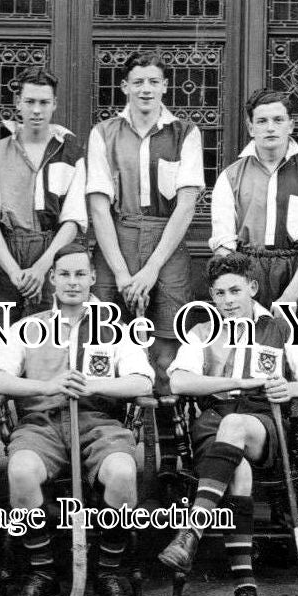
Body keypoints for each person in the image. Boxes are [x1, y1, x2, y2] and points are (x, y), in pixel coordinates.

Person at [157, 253, 298, 596]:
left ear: (252, 289)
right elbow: (180, 383)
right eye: (219, 293)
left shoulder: (281, 328)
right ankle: (245, 594)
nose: (227, 300)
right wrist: (237, 383)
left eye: (235, 290)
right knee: (239, 473)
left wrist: (293, 387)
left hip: (262, 426)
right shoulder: (202, 331)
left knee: (237, 426)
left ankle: (192, 530)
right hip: (214, 427)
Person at [0, 244, 155, 596]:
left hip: (98, 424)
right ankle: (43, 573)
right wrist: (45, 387)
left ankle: (109, 572)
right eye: (65, 274)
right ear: (53, 279)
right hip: (42, 424)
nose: (73, 282)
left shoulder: (114, 329)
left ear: (93, 278)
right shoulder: (28, 328)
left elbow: (142, 382)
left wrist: (95, 385)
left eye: (81, 274)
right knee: (22, 471)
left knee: (123, 472)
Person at [85, 49, 204, 492]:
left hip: (167, 243)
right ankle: (108, 447)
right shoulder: (105, 132)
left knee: (168, 342)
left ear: (164, 87)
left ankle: (169, 461)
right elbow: (98, 203)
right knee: (105, 334)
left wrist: (151, 267)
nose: (146, 89)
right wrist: (119, 271)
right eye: (138, 82)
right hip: (116, 237)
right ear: (125, 87)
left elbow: (188, 203)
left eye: (154, 81)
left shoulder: (185, 132)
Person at [0, 66, 88, 503]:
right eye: (29, 102)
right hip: (5, 257)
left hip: (52, 255)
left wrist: (42, 267)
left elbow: (75, 218)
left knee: (50, 351)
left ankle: (51, 449)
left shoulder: (70, 151)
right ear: (16, 105)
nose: (36, 110)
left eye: (44, 102)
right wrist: (13, 267)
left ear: (54, 105)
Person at [210, 90, 298, 310]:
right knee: (248, 341)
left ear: (291, 125)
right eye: (262, 121)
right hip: (246, 273)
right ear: (250, 128)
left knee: (297, 342)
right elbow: (223, 243)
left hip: (297, 273)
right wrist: (242, 290)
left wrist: (292, 293)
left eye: (278, 120)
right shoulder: (231, 175)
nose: (270, 127)